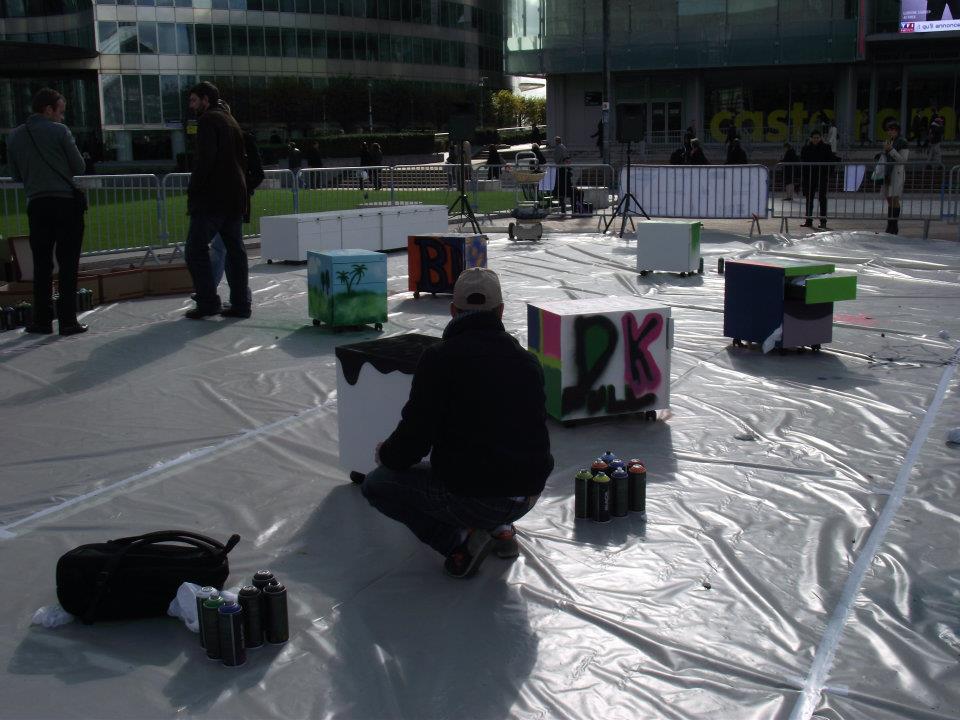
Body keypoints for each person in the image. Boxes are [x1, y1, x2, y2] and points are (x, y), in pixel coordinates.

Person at [360, 268, 554, 579]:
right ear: (501, 311)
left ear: (453, 310)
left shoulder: (440, 359)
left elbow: (413, 441)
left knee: (377, 485)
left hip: (478, 493)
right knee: (498, 453)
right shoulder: (527, 360)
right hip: (528, 493)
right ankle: (501, 528)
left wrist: (386, 454)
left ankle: (459, 542)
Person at [7, 87, 88, 336]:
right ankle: (67, 321)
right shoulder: (59, 131)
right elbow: (78, 166)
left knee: (42, 265)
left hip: (37, 205)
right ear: (48, 109)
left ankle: (42, 321)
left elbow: (15, 174)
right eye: (60, 112)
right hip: (64, 204)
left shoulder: (15, 136)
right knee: (67, 262)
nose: (62, 117)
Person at [184, 81, 250, 319]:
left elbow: (205, 161)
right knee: (235, 250)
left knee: (194, 249)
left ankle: (207, 301)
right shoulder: (230, 121)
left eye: (193, 100)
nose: (191, 106)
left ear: (205, 99)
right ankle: (241, 303)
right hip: (234, 195)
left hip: (214, 197)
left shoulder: (208, 121)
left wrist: (194, 190)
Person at [799, 128, 839, 229]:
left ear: (820, 138)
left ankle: (823, 221)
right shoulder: (806, 148)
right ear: (811, 138)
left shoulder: (826, 147)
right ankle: (808, 220)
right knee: (809, 199)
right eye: (814, 138)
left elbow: (831, 161)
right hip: (809, 177)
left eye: (818, 137)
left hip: (822, 176)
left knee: (822, 199)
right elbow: (802, 162)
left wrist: (828, 174)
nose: (816, 139)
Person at [881, 120, 909, 235]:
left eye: (892, 130)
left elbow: (903, 160)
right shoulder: (890, 141)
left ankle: (894, 226)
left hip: (896, 172)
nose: (890, 132)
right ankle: (890, 224)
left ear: (897, 130)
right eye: (889, 130)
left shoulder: (902, 142)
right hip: (888, 172)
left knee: (894, 198)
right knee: (889, 197)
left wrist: (891, 150)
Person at [551, 135, 572, 214]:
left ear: (556, 141)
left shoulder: (558, 148)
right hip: (565, 168)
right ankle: (563, 207)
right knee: (563, 189)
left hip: (561, 169)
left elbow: (557, 159)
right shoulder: (563, 147)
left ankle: (563, 207)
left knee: (561, 189)